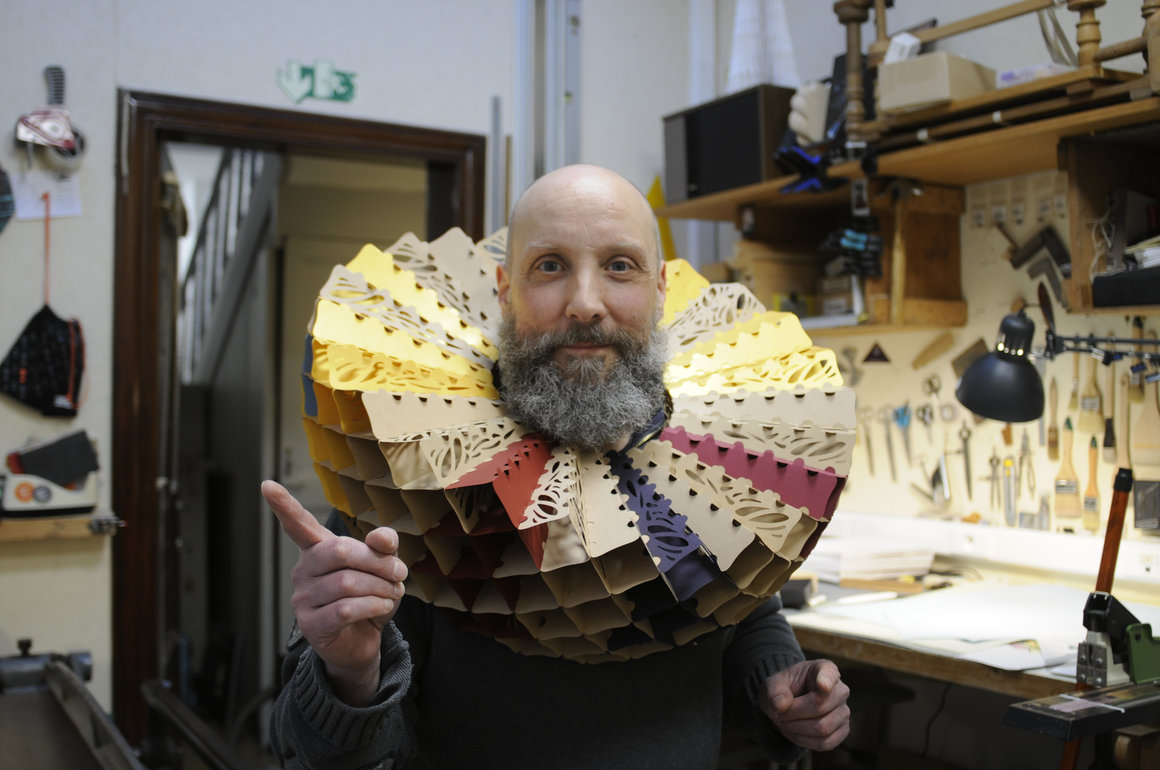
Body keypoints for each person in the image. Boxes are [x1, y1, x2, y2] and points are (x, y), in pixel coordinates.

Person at [265, 164, 851, 769]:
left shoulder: (712, 468)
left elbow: (742, 610)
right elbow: (303, 755)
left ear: (659, 291)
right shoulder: (406, 476)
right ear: (504, 291)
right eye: (550, 266)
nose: (585, 304)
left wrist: (780, 685)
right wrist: (350, 676)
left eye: (619, 265)